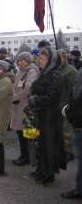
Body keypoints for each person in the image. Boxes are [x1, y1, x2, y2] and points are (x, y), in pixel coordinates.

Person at [27, 45, 67, 184]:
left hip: (51, 115)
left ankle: (49, 173)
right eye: (41, 58)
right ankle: (42, 168)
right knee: (42, 144)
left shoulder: (54, 75)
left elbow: (51, 96)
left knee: (50, 145)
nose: (41, 61)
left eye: (44, 59)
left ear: (51, 61)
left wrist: (34, 100)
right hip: (43, 114)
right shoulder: (44, 73)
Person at [10, 52, 39, 166]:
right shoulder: (19, 71)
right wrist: (13, 95)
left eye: (22, 60)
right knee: (19, 131)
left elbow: (28, 88)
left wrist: (15, 97)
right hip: (17, 103)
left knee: (24, 131)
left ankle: (26, 156)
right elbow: (14, 86)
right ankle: (23, 155)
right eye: (19, 60)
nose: (20, 62)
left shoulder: (32, 71)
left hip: (25, 104)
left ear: (28, 61)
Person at [61, 68, 82, 199]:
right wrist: (69, 108)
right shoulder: (80, 71)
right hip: (77, 122)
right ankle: (80, 188)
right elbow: (73, 91)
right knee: (80, 158)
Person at [57, 49, 77, 162]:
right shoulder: (56, 70)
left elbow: (72, 89)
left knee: (66, 128)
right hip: (57, 102)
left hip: (65, 103)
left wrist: (69, 104)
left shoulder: (70, 71)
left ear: (63, 58)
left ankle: (70, 151)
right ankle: (62, 148)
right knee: (59, 128)